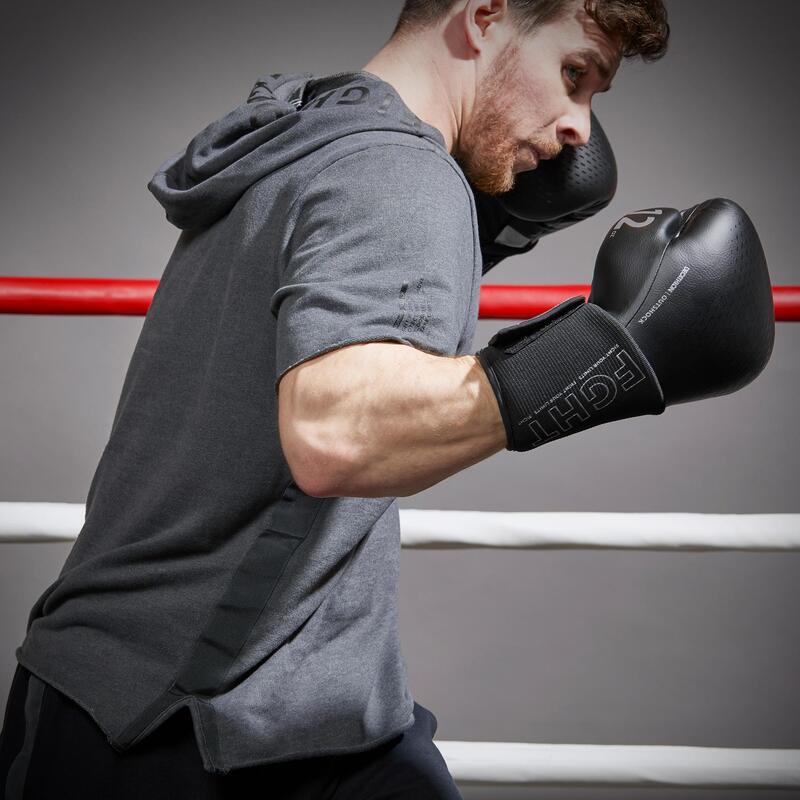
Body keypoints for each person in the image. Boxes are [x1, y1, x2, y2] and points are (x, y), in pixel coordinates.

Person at [11, 0, 768, 797]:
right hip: (177, 723)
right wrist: (611, 352)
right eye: (575, 73)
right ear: (483, 17)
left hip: (254, 698)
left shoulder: (312, 135)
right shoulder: (399, 176)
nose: (579, 125)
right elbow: (338, 431)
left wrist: (488, 226)